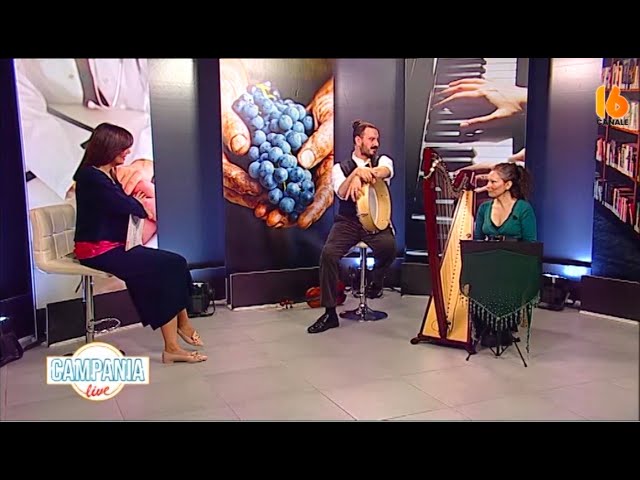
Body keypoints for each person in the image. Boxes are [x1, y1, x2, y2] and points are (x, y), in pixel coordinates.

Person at [73, 123, 207, 364]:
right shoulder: (90, 176)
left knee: (176, 263)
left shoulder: (109, 175)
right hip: (97, 251)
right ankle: (174, 343)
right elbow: (126, 205)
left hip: (115, 246)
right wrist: (138, 204)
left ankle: (181, 328)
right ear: (108, 147)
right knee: (166, 269)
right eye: (123, 148)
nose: (127, 153)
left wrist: (135, 203)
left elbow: (125, 203)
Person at [307, 120, 396, 334]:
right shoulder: (340, 168)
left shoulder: (382, 160)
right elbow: (341, 192)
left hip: (375, 222)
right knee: (328, 255)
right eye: (371, 139)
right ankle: (330, 313)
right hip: (348, 222)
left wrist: (365, 174)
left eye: (377, 139)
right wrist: (355, 174)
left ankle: (373, 280)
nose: (376, 143)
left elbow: (385, 171)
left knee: (390, 248)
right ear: (358, 140)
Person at [471, 162, 537, 347]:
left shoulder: (523, 209)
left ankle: (502, 326)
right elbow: (477, 241)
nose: (488, 186)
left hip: (513, 266)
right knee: (476, 278)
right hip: (489, 263)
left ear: (507, 185)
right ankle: (483, 326)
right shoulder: (484, 208)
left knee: (503, 280)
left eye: (493, 182)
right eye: (488, 181)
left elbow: (530, 245)